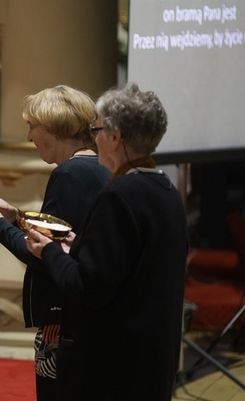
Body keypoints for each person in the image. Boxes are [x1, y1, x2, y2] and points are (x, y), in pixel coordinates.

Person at [24, 83, 188, 400]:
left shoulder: (119, 195)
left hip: (112, 368)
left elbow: (89, 287)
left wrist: (49, 251)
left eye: (97, 129)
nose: (94, 138)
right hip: (151, 360)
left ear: (115, 138)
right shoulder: (166, 191)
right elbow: (132, 270)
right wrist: (78, 246)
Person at [0, 85, 110, 400]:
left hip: (64, 322)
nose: (30, 136)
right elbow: (66, 234)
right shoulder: (98, 166)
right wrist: (17, 217)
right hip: (89, 316)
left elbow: (45, 255)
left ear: (54, 127)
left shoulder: (68, 173)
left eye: (33, 126)